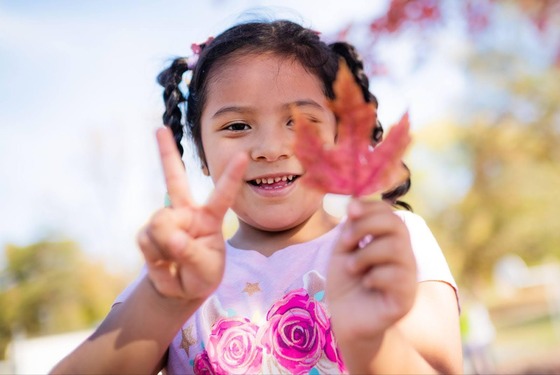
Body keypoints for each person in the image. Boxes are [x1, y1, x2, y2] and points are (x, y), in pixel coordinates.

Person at [51, 18, 462, 374]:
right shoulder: (176, 270)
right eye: (236, 127)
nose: (270, 147)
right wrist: (162, 303)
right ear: (202, 155)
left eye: (299, 121)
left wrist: (373, 343)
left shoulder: (388, 241)